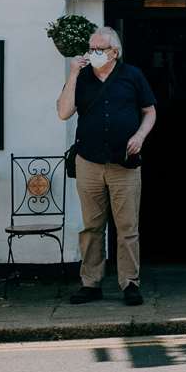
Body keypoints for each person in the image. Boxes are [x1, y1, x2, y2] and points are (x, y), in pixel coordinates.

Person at [57, 25, 156, 307]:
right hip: (88, 161)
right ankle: (91, 282)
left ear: (114, 52)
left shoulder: (132, 76)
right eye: (91, 48)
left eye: (99, 49)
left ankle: (130, 283)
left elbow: (150, 111)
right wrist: (73, 73)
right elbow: (64, 112)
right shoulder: (83, 77)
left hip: (124, 162)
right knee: (92, 226)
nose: (93, 53)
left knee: (127, 227)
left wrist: (139, 136)